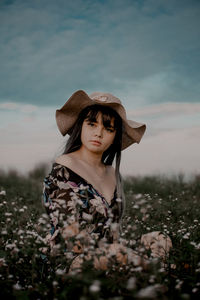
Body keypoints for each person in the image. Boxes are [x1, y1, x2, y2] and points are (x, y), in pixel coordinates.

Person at [42, 90, 172, 273]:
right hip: (74, 260)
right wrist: (121, 252)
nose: (99, 133)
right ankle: (157, 271)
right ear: (81, 126)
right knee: (115, 252)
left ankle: (143, 269)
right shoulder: (64, 169)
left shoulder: (112, 173)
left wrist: (125, 250)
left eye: (108, 128)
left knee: (160, 238)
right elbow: (73, 241)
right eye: (92, 124)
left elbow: (115, 232)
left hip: (112, 254)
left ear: (115, 136)